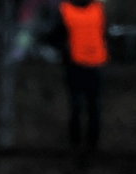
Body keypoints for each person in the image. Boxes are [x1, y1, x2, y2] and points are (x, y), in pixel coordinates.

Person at [48, 0, 109, 159]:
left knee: (78, 106)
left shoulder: (67, 10)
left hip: (78, 63)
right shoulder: (98, 9)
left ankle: (79, 145)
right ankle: (89, 146)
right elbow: (106, 32)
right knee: (91, 107)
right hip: (92, 63)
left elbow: (55, 36)